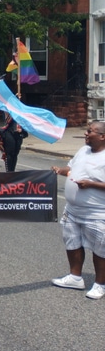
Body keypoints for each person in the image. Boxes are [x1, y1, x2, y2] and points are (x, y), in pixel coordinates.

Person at [51, 122, 105, 299]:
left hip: (97, 213)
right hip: (73, 210)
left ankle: (100, 284)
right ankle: (75, 277)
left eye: (90, 131)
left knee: (100, 249)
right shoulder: (83, 150)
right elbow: (71, 168)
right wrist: (61, 170)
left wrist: (91, 184)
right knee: (72, 242)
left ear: (102, 136)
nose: (86, 134)